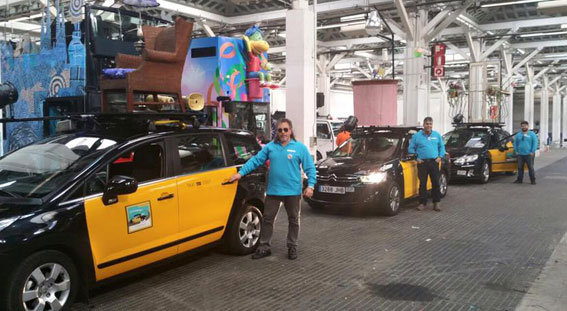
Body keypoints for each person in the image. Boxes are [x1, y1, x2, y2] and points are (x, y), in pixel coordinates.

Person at [228, 118, 316, 260]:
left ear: (290, 131)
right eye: (280, 130)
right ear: (277, 132)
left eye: (285, 129)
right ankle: (264, 247)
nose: (283, 133)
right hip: (274, 191)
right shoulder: (270, 147)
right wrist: (240, 173)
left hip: (292, 192)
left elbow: (310, 168)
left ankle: (292, 246)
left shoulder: (300, 148)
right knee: (267, 220)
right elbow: (255, 161)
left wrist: (311, 186)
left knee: (293, 220)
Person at [409, 116, 446, 212]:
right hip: (422, 163)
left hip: (434, 162)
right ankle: (422, 203)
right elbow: (411, 148)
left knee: (435, 183)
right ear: (423, 125)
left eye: (430, 124)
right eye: (427, 124)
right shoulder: (417, 136)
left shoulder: (437, 135)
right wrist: (416, 158)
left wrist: (440, 157)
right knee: (422, 183)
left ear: (432, 125)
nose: (428, 126)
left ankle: (436, 203)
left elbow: (442, 147)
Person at [513, 121, 538, 185]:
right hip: (520, 154)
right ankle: (519, 180)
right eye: (522, 126)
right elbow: (515, 143)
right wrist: (516, 151)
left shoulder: (532, 134)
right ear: (521, 127)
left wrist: (532, 151)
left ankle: (533, 180)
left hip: (529, 154)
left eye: (525, 126)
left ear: (527, 126)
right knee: (520, 167)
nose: (523, 127)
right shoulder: (518, 135)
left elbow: (535, 143)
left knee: (531, 168)